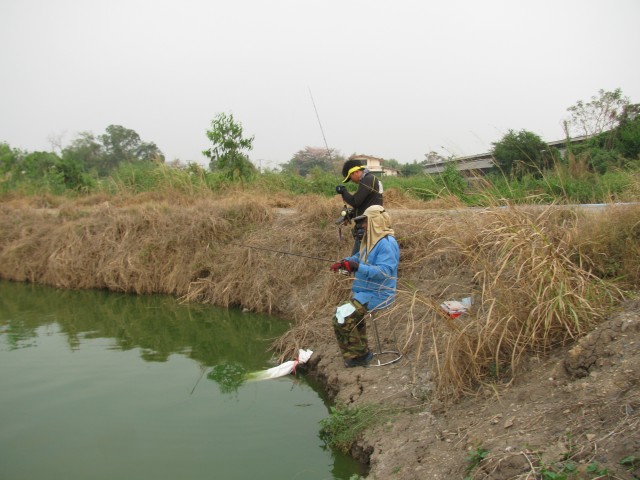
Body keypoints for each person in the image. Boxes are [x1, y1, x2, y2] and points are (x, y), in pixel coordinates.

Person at [329, 205, 399, 368]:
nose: (362, 226)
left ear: (375, 222)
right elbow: (359, 257)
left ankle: (360, 355)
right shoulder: (372, 241)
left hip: (379, 295)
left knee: (340, 318)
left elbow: (385, 271)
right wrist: (344, 263)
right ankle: (360, 353)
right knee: (346, 316)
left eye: (365, 222)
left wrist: (357, 267)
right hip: (364, 293)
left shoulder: (386, 243)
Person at [335, 158, 384, 254]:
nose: (351, 180)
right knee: (360, 260)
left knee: (356, 261)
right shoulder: (369, 179)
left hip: (368, 228)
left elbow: (355, 201)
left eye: (350, 177)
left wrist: (343, 191)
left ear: (356, 172)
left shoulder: (368, 179)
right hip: (370, 227)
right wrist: (350, 214)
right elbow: (364, 204)